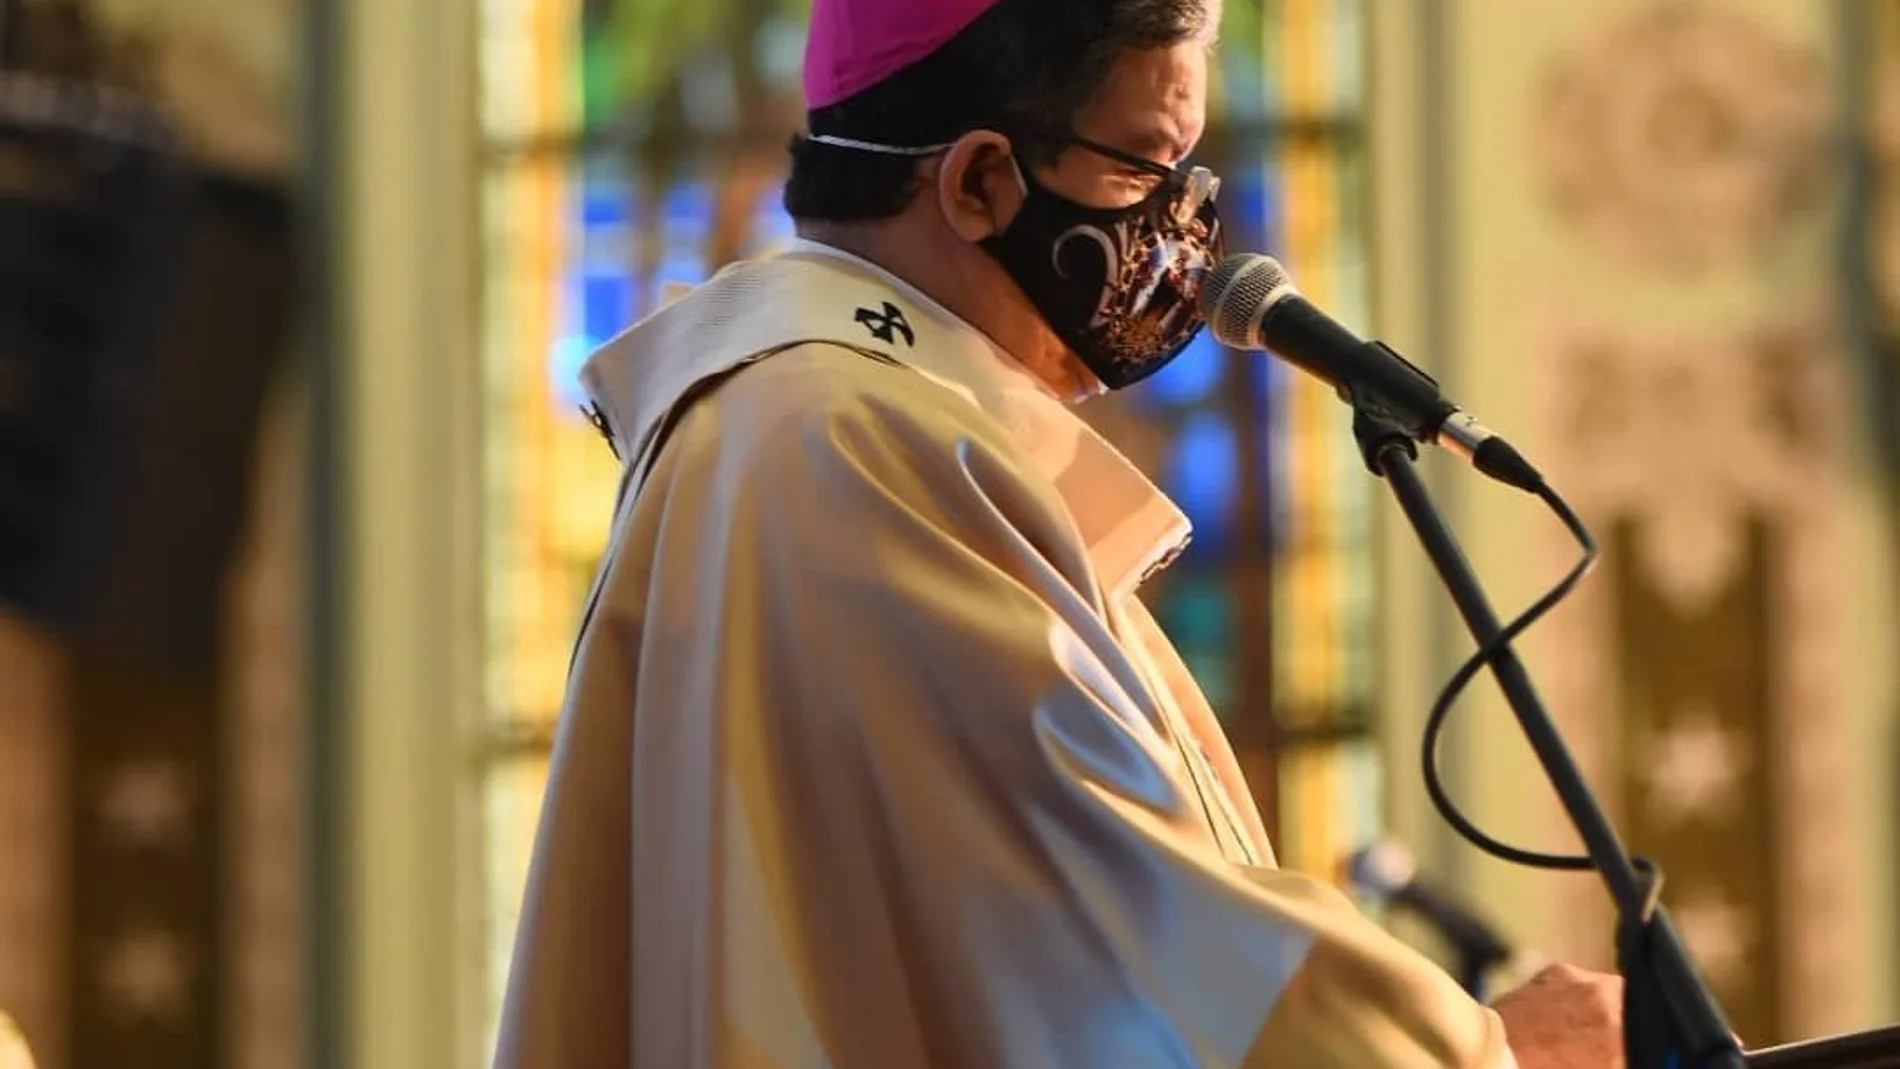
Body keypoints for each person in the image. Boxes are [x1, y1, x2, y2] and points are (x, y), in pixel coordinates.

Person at [493, 1, 1627, 1066]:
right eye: (1149, 165)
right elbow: (1116, 921)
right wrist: (1481, 1051)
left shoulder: (825, 420)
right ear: (983, 180)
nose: (1189, 228)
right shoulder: (846, 441)